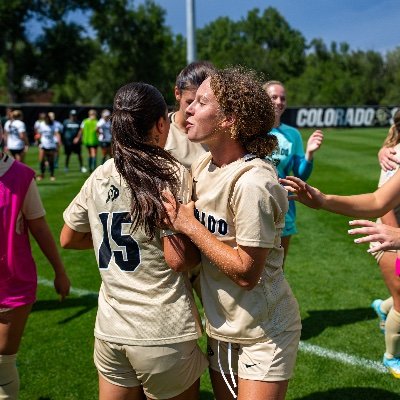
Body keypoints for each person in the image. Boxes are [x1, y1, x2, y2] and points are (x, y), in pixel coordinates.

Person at [60, 82, 208, 400]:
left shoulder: (100, 174)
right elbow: (178, 259)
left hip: (111, 331)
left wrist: (116, 239)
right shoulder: (172, 173)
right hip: (162, 329)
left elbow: (69, 237)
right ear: (159, 124)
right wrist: (203, 243)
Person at [164, 67, 301, 400]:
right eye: (190, 101)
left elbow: (246, 273)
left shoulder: (253, 182)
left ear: (229, 119)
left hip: (266, 330)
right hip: (222, 327)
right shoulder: (203, 166)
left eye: (201, 102)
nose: (189, 109)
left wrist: (188, 225)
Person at [280, 142, 400, 379]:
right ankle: (392, 354)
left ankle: (384, 308)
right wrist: (324, 200)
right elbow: (379, 201)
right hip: (390, 241)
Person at [0, 127, 70, 400]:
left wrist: (60, 272)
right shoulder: (18, 175)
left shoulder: (20, 177)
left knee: (3, 366)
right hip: (14, 285)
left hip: (12, 285)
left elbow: (39, 228)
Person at [263, 81, 324, 264]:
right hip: (255, 201)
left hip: (284, 206)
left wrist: (309, 154)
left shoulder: (293, 135)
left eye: (283, 98)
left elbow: (300, 175)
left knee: (277, 269)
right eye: (274, 97)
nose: (279, 101)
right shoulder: (252, 131)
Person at [165, 61, 215, 169]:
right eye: (189, 102)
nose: (192, 109)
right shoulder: (161, 130)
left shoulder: (220, 135)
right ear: (177, 93)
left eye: (202, 103)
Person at [36, 113, 60, 181]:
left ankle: (52, 175)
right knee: (41, 160)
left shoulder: (54, 125)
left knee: (51, 161)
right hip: (43, 144)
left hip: (51, 144)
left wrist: (58, 142)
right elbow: (39, 133)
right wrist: (38, 141)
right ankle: (42, 174)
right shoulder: (41, 124)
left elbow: (56, 134)